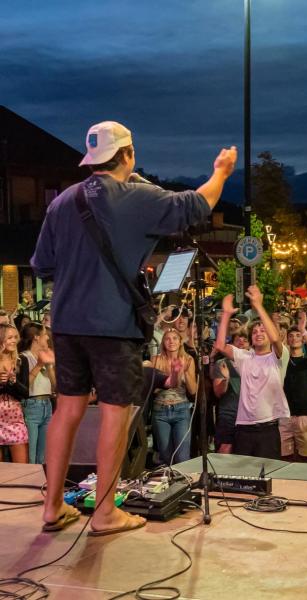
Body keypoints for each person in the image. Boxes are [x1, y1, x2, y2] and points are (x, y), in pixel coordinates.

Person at [31, 120, 236, 534]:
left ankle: (53, 508)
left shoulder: (61, 202)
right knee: (115, 412)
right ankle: (105, 513)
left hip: (67, 323)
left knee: (68, 409)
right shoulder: (134, 196)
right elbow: (197, 205)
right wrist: (222, 171)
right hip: (112, 323)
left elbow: (42, 265)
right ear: (128, 155)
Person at [214, 286, 289, 459]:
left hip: (267, 428)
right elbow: (219, 346)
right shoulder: (245, 357)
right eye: (254, 332)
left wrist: (258, 306)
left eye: (263, 330)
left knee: (268, 476)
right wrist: (226, 314)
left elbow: (276, 338)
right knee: (244, 477)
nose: (258, 333)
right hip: (243, 428)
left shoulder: (278, 356)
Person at [150, 329, 197, 465]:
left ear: (180, 341)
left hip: (181, 409)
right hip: (160, 411)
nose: (171, 342)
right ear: (163, 342)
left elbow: (193, 390)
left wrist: (184, 371)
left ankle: (183, 484)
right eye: (168, 339)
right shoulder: (156, 359)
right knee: (166, 457)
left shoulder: (188, 359)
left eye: (175, 338)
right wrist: (171, 378)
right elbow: (152, 389)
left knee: (182, 457)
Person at [280, 311, 307, 462]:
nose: (294, 338)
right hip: (285, 416)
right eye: (291, 336)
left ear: (303, 340)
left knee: (304, 461)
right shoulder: (282, 361)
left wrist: (303, 330)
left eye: (298, 336)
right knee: (284, 459)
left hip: (306, 416)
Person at [18, 323, 56, 464]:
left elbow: (55, 386)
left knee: (43, 455)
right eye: (45, 334)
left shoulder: (45, 356)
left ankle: (39, 482)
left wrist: (50, 366)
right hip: (32, 406)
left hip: (47, 405)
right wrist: (39, 364)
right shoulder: (24, 357)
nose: (47, 338)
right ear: (36, 337)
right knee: (31, 455)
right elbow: (23, 386)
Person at [212, 332, 248, 454]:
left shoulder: (255, 362)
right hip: (228, 415)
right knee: (225, 450)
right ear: (231, 345)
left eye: (245, 340)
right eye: (238, 340)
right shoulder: (222, 363)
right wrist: (226, 379)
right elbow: (218, 392)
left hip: (249, 416)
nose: (242, 342)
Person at [0, 324, 29, 463]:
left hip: (14, 419)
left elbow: (25, 393)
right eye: (9, 337)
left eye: (15, 337)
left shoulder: (21, 361)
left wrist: (12, 381)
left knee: (22, 468)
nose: (14, 341)